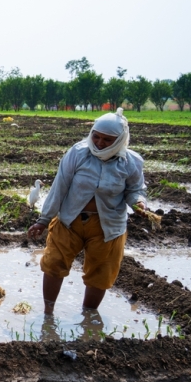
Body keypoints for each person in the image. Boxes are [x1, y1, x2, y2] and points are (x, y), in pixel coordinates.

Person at [27, 108, 147, 314]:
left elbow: (135, 190)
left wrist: (138, 203)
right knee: (54, 263)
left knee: (101, 273)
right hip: (69, 221)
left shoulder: (131, 162)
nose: (100, 143)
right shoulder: (78, 153)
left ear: (120, 140)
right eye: (96, 136)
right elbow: (60, 187)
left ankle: (88, 316)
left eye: (108, 140)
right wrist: (44, 219)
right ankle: (48, 311)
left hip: (107, 227)